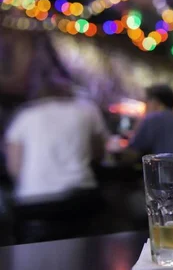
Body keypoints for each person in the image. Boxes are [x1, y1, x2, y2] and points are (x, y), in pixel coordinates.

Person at [4, 75, 109, 242]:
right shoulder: (87, 111)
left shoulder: (25, 115)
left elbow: (14, 167)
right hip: (78, 198)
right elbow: (99, 154)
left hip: (33, 203)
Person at [127, 84, 173, 156]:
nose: (146, 105)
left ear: (156, 102)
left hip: (158, 166)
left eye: (147, 101)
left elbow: (132, 151)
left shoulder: (152, 119)